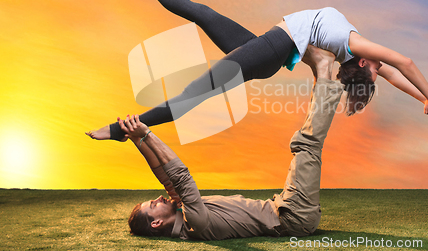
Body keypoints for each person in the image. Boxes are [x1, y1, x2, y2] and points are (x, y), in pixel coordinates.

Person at [86, 0, 428, 142]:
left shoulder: (355, 49)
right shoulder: (353, 46)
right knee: (202, 12)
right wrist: (424, 100)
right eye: (378, 70)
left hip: (270, 50)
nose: (381, 68)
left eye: (376, 69)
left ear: (365, 63)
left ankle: (122, 130)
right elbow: (396, 73)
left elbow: (404, 64)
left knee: (196, 92)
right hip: (265, 47)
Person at [116, 45, 344, 239]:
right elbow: (180, 177)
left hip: (283, 205)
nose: (158, 198)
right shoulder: (195, 223)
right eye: (154, 205)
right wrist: (146, 133)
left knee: (305, 144)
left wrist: (137, 139)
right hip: (294, 216)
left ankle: (321, 74)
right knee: (307, 144)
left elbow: (164, 175)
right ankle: (324, 70)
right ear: (156, 223)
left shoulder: (185, 212)